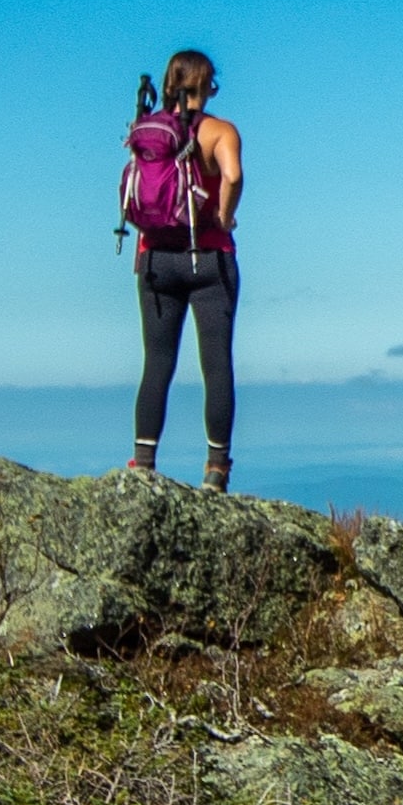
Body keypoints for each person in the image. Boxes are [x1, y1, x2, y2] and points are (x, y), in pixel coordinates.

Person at [129, 50, 243, 492]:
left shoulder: (149, 132)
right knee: (216, 365)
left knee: (157, 362)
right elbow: (232, 176)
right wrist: (224, 216)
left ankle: (143, 462)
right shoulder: (220, 132)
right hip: (210, 257)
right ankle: (216, 469)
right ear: (208, 84)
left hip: (156, 258)